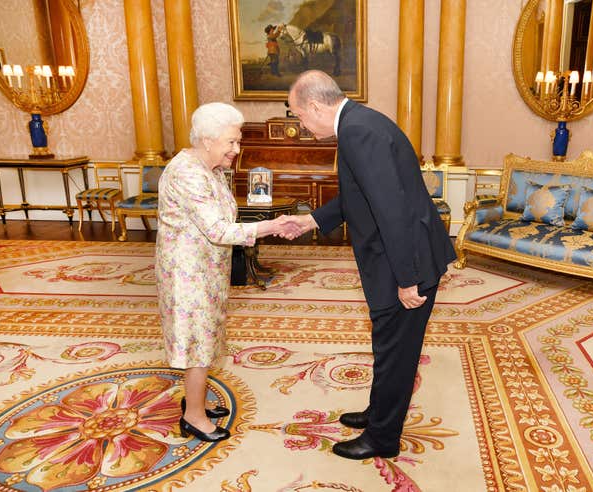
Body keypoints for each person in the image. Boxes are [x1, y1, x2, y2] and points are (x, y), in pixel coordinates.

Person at [285, 70, 457, 460]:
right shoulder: (359, 123)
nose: (300, 124)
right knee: (387, 346)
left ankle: (382, 438)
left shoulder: (357, 132)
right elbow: (359, 196)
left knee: (397, 352)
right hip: (402, 257)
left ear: (314, 105)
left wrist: (407, 279)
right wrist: (312, 220)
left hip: (406, 262)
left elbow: (391, 211)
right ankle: (378, 413)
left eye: (298, 116)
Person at [155, 102, 299, 443]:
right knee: (196, 343)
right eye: (231, 142)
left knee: (206, 337)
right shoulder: (188, 172)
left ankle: (196, 400)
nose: (237, 149)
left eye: (237, 141)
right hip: (187, 273)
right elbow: (219, 230)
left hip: (208, 268)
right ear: (207, 140)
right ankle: (193, 416)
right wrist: (271, 226)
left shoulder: (211, 167)